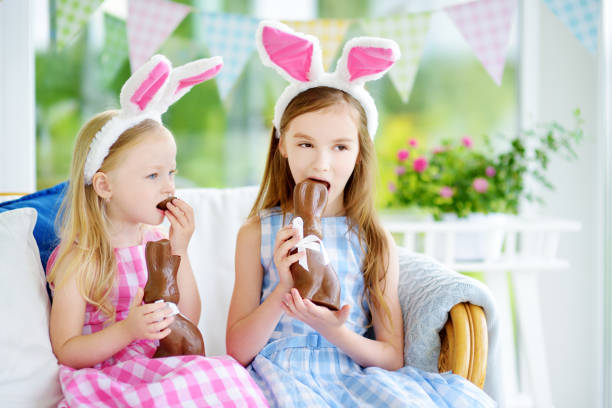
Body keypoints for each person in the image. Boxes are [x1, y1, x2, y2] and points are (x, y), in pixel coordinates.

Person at [226, 21, 496, 407]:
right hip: (276, 379)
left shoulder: (371, 239)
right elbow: (236, 351)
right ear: (282, 144)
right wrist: (284, 287)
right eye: (305, 144)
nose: (321, 164)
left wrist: (334, 330)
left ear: (358, 153)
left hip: (350, 376)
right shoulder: (256, 234)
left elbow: (391, 355)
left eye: (340, 147)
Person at [46, 54, 268, 407]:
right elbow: (67, 350)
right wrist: (128, 330)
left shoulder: (155, 243)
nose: (169, 187)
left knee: (223, 372)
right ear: (104, 186)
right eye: (153, 175)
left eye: (172, 173)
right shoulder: (81, 259)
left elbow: (188, 318)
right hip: (112, 377)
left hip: (160, 367)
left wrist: (180, 247)